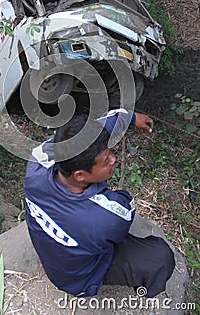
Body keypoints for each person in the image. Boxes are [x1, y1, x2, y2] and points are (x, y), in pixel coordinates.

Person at [23, 109, 175, 298]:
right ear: (80, 175)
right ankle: (143, 293)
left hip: (55, 259)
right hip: (81, 280)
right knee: (160, 257)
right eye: (105, 161)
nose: (113, 160)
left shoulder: (36, 167)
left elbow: (89, 132)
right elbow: (124, 211)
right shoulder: (105, 216)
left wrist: (132, 117)